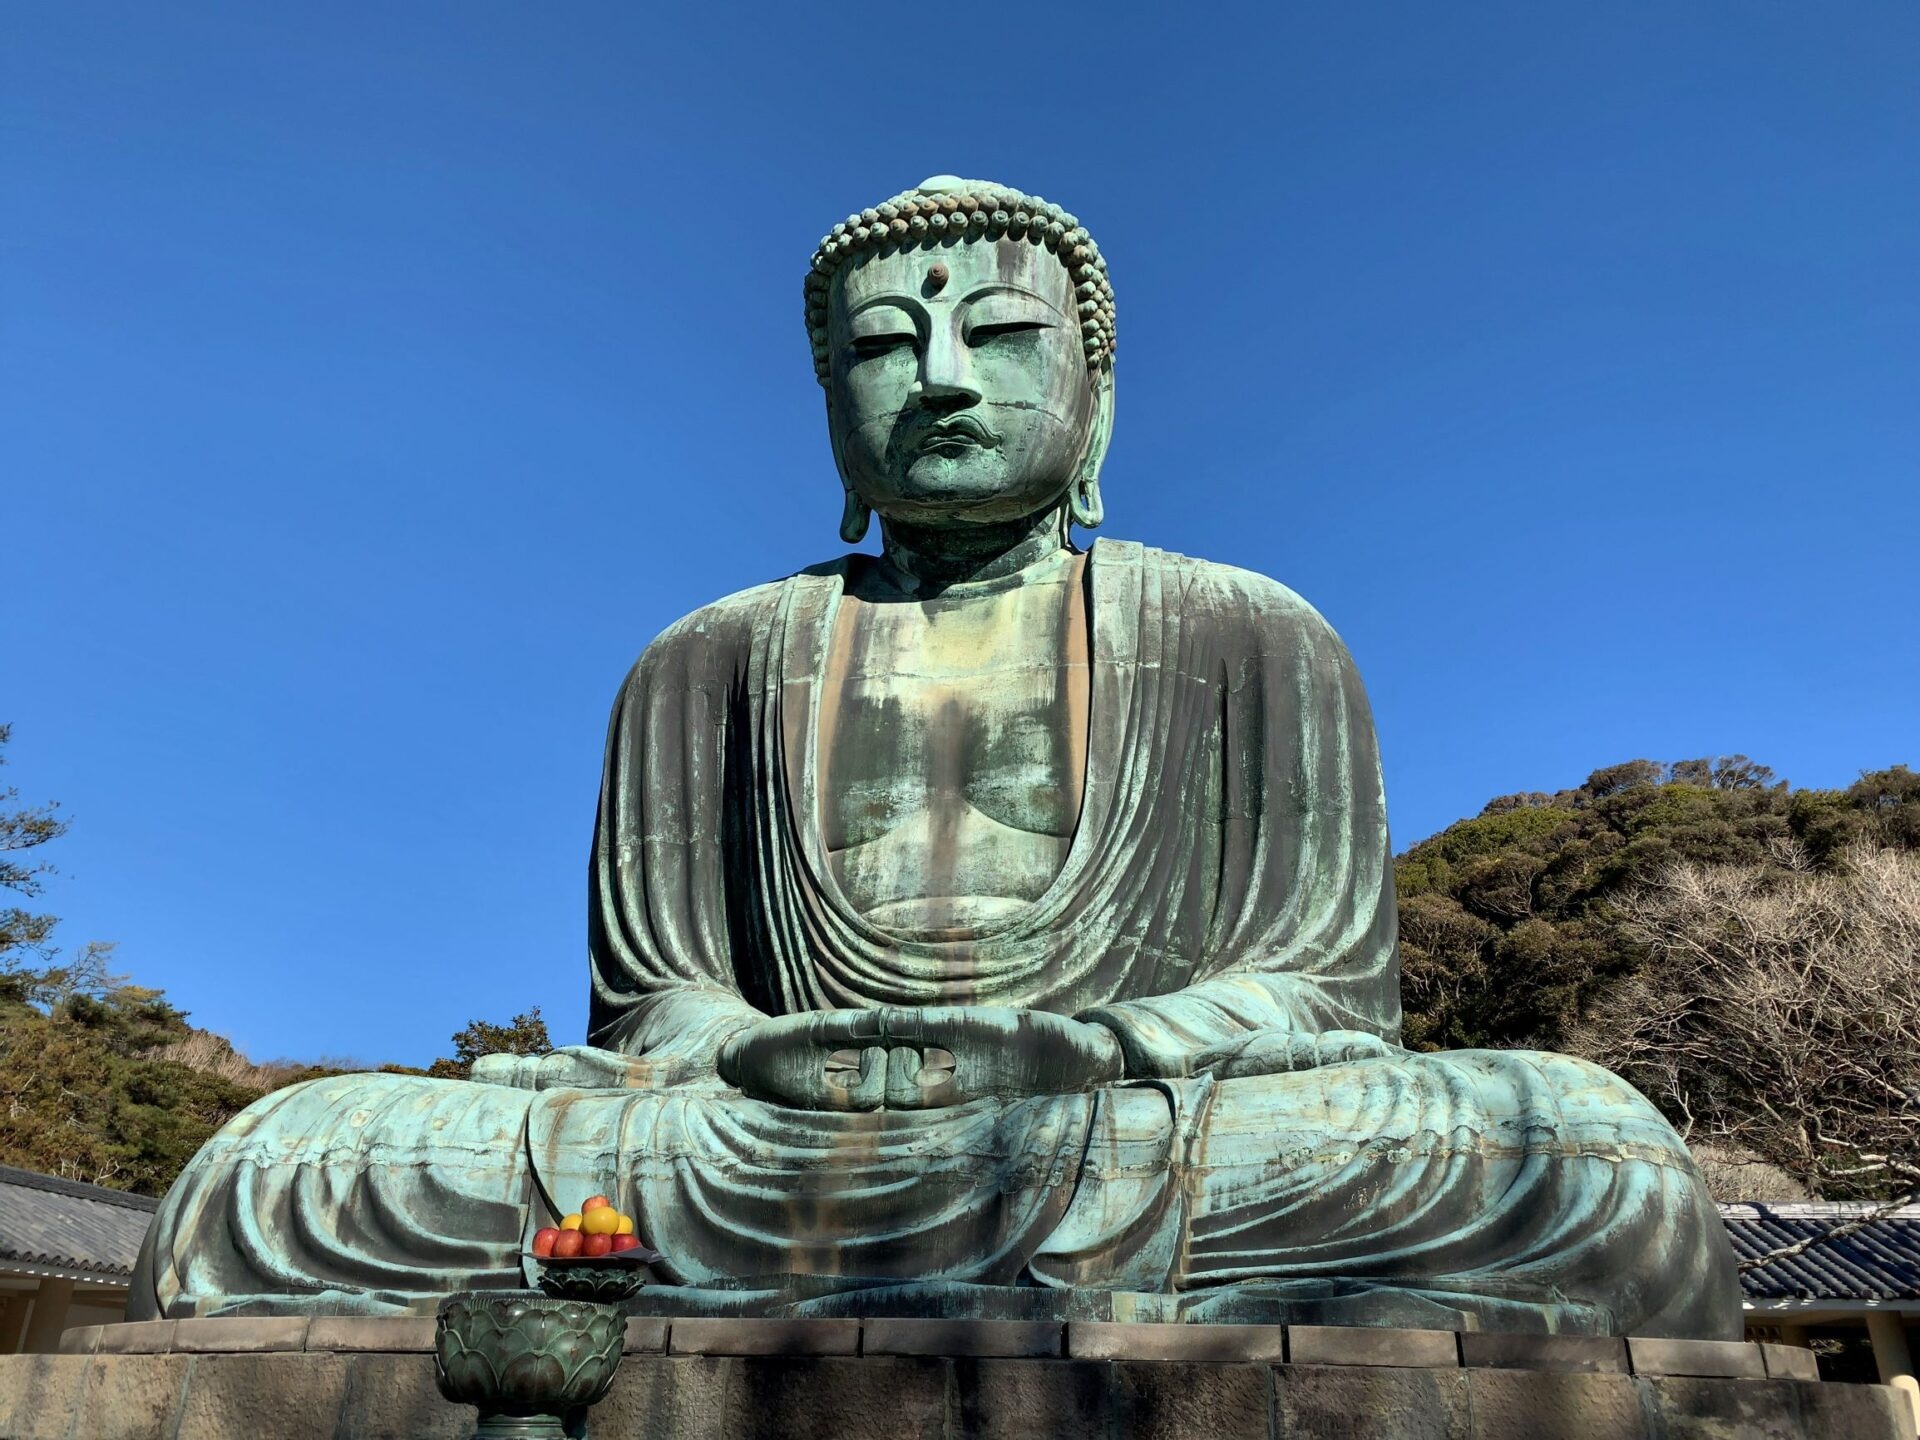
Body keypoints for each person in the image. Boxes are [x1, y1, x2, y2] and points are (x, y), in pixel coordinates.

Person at [133, 178, 1739, 1337]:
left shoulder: (1255, 634)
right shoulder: (706, 658)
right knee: (280, 1162)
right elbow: (656, 1005)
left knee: (1584, 1153)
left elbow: (1320, 996)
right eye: (887, 347)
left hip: (1130, 1127)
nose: (945, 377)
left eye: (998, 335)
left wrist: (1095, 1051)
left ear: (1091, 393)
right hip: (768, 1141)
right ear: (832, 406)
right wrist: (743, 1053)